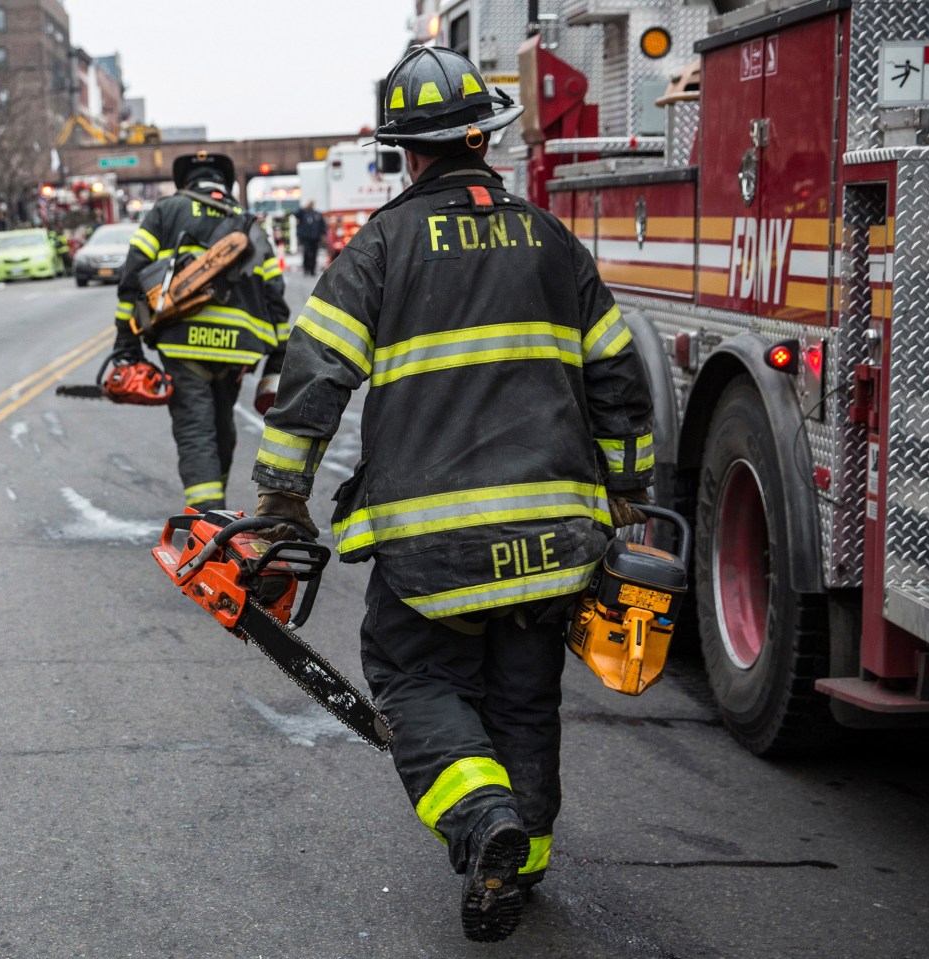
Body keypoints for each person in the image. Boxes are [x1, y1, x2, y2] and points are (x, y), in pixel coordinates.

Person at [249, 47, 654, 942]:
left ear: (405, 150)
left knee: (414, 676)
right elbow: (617, 374)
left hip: (434, 549)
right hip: (556, 539)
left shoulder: (383, 245)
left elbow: (315, 371)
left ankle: (482, 822)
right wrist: (628, 485)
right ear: (486, 140)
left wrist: (282, 494)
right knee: (525, 696)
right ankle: (524, 863)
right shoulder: (553, 241)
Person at [111, 151, 290, 511]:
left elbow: (133, 275)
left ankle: (207, 520)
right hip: (237, 352)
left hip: (183, 346)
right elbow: (274, 293)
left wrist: (127, 343)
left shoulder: (166, 211)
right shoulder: (248, 224)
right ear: (224, 183)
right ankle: (214, 512)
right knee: (222, 428)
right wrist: (278, 356)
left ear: (187, 182)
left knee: (195, 431)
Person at [294, 200, 326, 276]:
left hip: (315, 238)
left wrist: (322, 234)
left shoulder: (317, 214)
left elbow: (322, 225)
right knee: (306, 253)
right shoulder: (303, 213)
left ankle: (312, 270)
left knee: (314, 254)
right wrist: (303, 208)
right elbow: (296, 214)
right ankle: (306, 269)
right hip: (306, 238)